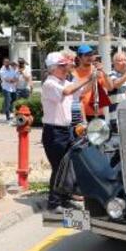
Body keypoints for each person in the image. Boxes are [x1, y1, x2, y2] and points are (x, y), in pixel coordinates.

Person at [40, 52, 95, 212]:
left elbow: (82, 90)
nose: (65, 69)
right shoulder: (50, 84)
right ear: (52, 69)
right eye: (62, 66)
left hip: (66, 130)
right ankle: (54, 203)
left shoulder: (64, 82)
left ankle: (64, 198)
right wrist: (88, 77)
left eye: (65, 66)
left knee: (69, 166)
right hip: (54, 131)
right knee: (59, 167)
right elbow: (68, 92)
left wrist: (94, 78)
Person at [73, 45, 111, 121]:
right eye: (86, 55)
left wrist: (103, 72)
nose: (90, 57)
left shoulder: (98, 71)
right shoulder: (74, 73)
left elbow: (110, 87)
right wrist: (93, 78)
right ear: (79, 57)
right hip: (81, 115)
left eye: (91, 54)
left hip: (98, 114)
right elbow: (79, 93)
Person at [107, 52, 126, 132]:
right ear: (114, 63)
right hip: (117, 118)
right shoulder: (111, 74)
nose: (124, 62)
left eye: (125, 60)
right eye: (120, 60)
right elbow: (116, 84)